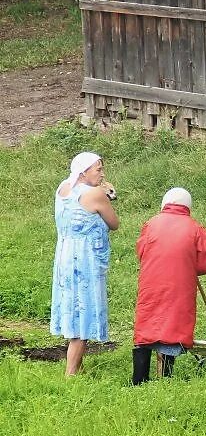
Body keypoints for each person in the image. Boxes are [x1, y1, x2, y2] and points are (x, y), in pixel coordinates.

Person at [132, 188, 206, 385]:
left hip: (151, 284)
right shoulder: (196, 229)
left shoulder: (150, 224)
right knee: (172, 325)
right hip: (179, 286)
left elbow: (141, 252)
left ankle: (139, 379)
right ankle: (166, 379)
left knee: (148, 323)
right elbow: (203, 266)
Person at [51, 151, 119, 376]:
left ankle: (78, 368)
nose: (102, 174)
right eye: (98, 169)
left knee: (73, 306)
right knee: (84, 310)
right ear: (83, 172)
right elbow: (113, 223)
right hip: (85, 258)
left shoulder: (63, 188)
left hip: (65, 254)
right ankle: (71, 374)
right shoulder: (94, 194)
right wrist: (107, 196)